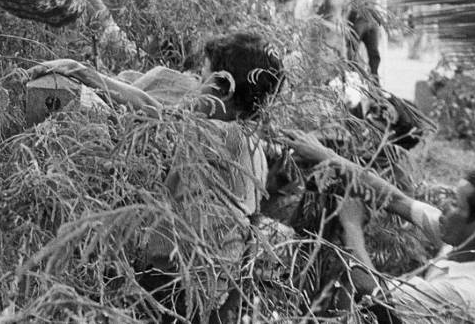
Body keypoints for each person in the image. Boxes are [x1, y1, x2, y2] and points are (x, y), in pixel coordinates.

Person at [28, 32, 285, 321]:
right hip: (204, 292)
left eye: (202, 80)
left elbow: (155, 111)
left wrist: (85, 72)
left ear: (223, 89)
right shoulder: (255, 150)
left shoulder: (221, 135)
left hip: (174, 289)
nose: (193, 90)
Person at [288, 132, 475, 321]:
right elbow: (398, 200)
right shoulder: (463, 241)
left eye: (456, 204)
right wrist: (328, 156)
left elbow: (374, 296)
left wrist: (352, 227)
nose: (445, 206)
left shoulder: (466, 291)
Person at [346, 0, 382, 82]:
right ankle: (352, 82)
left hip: (371, 20)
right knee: (352, 52)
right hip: (357, 19)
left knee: (374, 54)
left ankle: (375, 86)